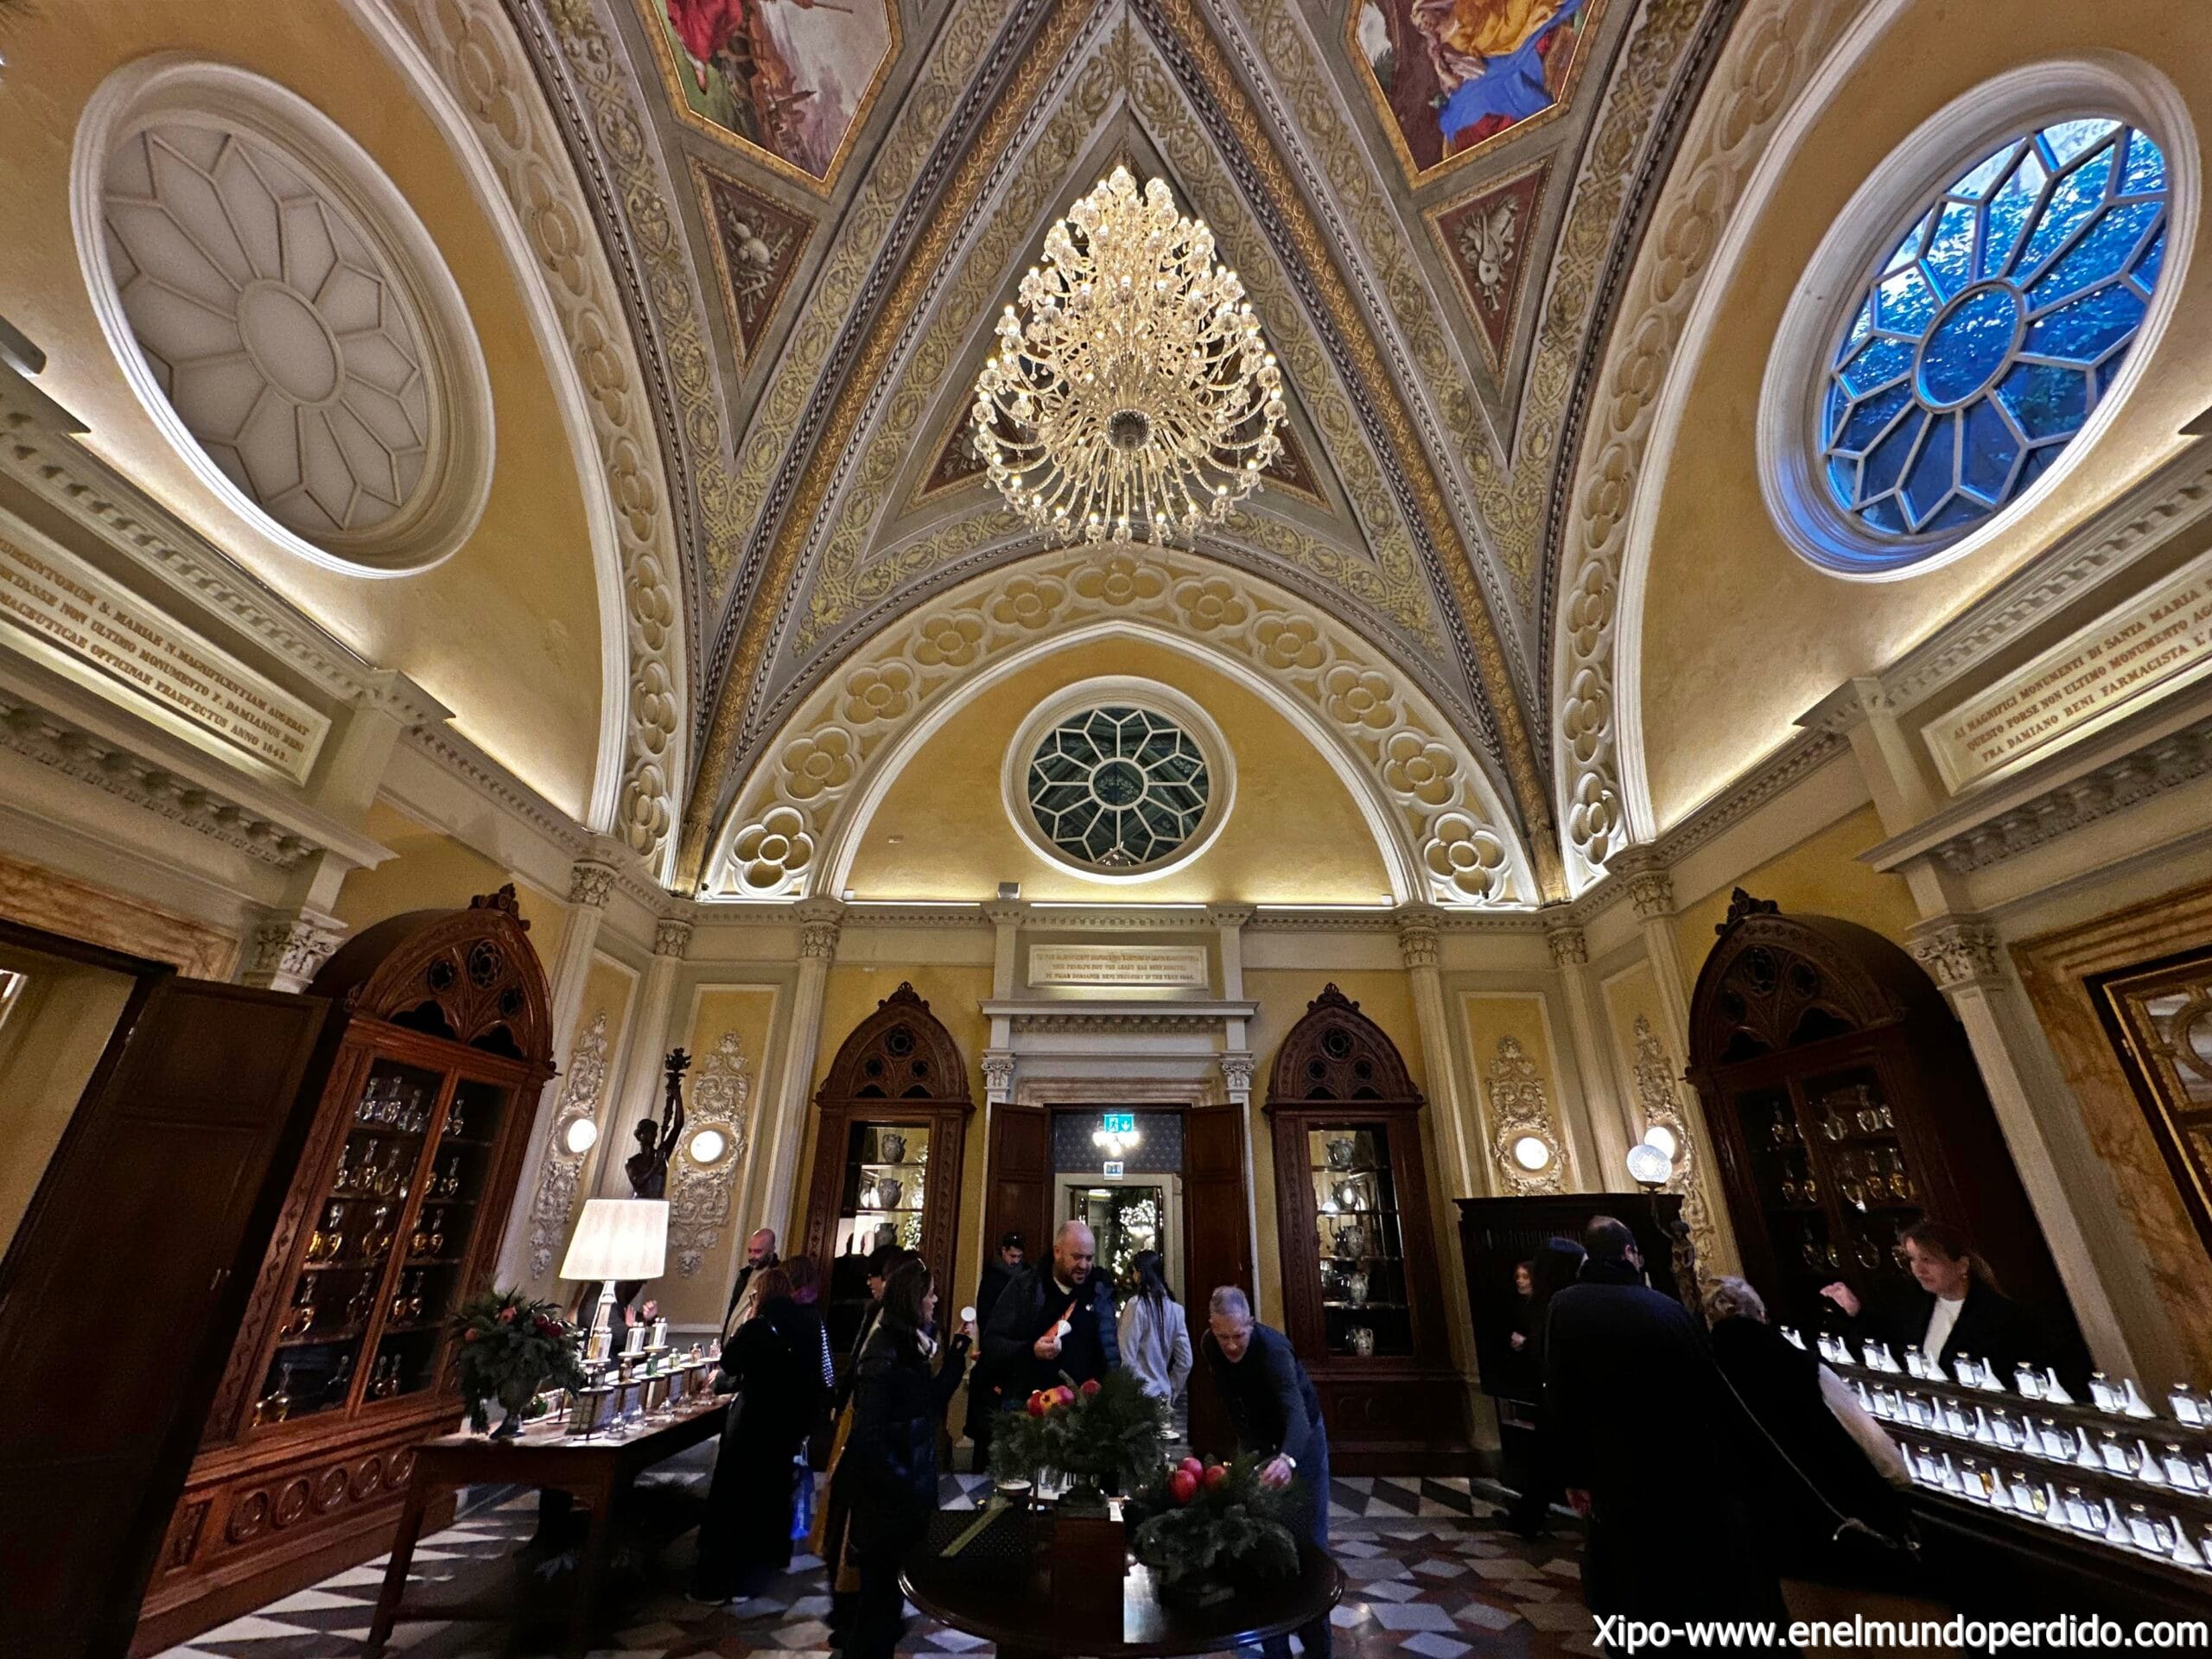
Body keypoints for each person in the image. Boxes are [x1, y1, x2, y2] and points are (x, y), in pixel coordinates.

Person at [1544, 1217, 1791, 1650]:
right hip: (1680, 1466)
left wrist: (1574, 1472)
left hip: (1610, 1466)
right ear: (1629, 1254)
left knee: (1625, 1570)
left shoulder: (1565, 1306)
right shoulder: (1666, 1308)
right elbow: (1705, 1389)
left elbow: (1562, 1394)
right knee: (1677, 1573)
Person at [1706, 1276, 1914, 1590]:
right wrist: (1899, 1484)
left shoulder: (1705, 1376)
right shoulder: (1799, 1366)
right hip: (1844, 1535)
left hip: (1770, 1543)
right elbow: (1879, 1451)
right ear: (1761, 1314)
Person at [847, 1258, 973, 1659]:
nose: (935, 1301)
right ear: (913, 1298)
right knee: (876, 1603)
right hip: (887, 1499)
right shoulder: (884, 1352)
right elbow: (869, 1434)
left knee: (887, 1602)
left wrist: (957, 1352)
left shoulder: (911, 1346)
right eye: (930, 1294)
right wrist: (899, 1483)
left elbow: (928, 1404)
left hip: (905, 1491)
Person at [1199, 1287, 1329, 1659]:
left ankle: (1319, 1650)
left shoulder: (1273, 1350)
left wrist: (1286, 1459)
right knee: (1263, 1549)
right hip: (1259, 1442)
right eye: (1223, 1336)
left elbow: (1296, 1414)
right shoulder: (1210, 1345)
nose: (1231, 1345)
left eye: (1238, 1335)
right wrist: (1248, 1456)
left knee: (1309, 1548)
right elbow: (1232, 1401)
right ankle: (1276, 1652)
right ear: (1212, 1327)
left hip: (1301, 1444)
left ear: (1251, 1324)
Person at [692, 1268, 827, 1603]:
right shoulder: (809, 1324)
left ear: (761, 1296)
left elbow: (730, 1362)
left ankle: (722, 1579)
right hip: (788, 1424)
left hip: (753, 1423)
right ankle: (758, 1573)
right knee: (772, 1494)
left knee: (735, 1499)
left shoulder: (757, 1327)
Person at [1818, 1219, 2049, 1382]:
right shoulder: (1914, 1306)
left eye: (1928, 1260)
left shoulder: (2001, 1315)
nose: (1918, 1270)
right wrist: (1855, 1311)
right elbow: (1886, 1348)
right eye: (1912, 1259)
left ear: (1962, 1265)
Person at [982, 1219, 1120, 1403]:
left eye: (1089, 1258)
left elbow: (1110, 1352)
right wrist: (1031, 1350)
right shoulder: (1026, 1288)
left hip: (1089, 1409)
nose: (1084, 1265)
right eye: (1077, 1257)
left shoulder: (1099, 1293)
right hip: (1031, 1408)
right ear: (1057, 1252)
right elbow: (992, 1344)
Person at [1503, 1236, 1584, 1538]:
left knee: (1546, 1459)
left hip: (1562, 1398)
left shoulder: (1559, 1303)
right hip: (1558, 1396)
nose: (1522, 1281)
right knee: (1545, 1459)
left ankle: (1529, 1516)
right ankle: (1529, 1515)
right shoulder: (1557, 1303)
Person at [962, 1231, 1027, 1471]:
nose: (1015, 1261)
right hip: (997, 1358)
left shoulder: (1019, 1279)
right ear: (1003, 1252)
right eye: (1012, 1256)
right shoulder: (994, 1280)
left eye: (1019, 1257)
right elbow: (986, 1316)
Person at [1116, 1249, 1192, 1407]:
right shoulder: (1176, 1310)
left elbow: (1127, 1357)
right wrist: (1172, 1389)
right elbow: (1186, 1361)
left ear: (1140, 1273)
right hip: (1163, 1395)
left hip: (1138, 1397)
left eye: (1134, 1272)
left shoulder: (1136, 1306)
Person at [721, 1227, 780, 1337]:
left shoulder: (777, 1278)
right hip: (732, 1338)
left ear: (771, 1250)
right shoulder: (745, 1274)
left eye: (758, 1251)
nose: (752, 1256)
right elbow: (733, 1308)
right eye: (750, 1251)